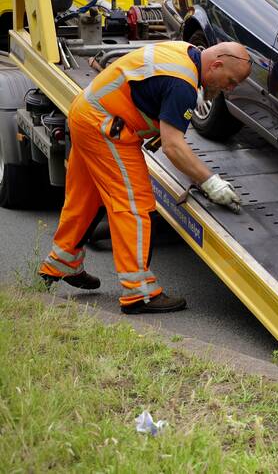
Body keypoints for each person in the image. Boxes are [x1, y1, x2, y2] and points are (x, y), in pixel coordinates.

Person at [38, 40, 252, 313]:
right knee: (134, 205)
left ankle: (62, 262)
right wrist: (211, 182)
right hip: (105, 127)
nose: (230, 89)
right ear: (216, 65)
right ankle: (139, 293)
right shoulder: (182, 85)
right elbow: (173, 146)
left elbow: (152, 92)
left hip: (87, 112)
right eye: (231, 81)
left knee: (86, 198)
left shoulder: (184, 51)